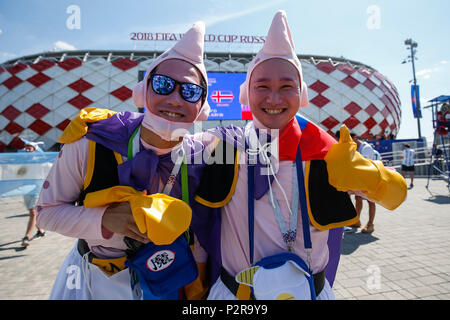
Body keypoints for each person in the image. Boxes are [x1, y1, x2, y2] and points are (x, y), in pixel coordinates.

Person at [188, 10, 407, 300]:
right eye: (262, 86)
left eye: (286, 87)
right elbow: (166, 147)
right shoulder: (225, 146)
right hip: (235, 295)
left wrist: (371, 176)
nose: (274, 98)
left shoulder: (325, 151)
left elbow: (396, 195)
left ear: (301, 93)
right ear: (246, 94)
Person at [36, 22, 211, 300]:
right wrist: (102, 219)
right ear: (143, 92)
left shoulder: (202, 155)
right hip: (96, 281)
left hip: (167, 279)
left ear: (201, 107)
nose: (175, 99)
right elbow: (45, 212)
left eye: (190, 92)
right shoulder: (92, 141)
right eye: (163, 84)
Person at [21, 140, 46, 247]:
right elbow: (19, 174)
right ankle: (41, 231)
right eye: (26, 148)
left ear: (34, 150)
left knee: (32, 212)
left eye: (29, 148)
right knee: (31, 212)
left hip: (37, 189)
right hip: (25, 189)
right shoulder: (22, 161)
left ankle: (26, 237)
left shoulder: (40, 161)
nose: (27, 150)